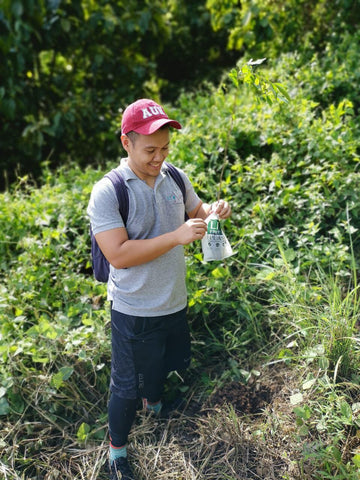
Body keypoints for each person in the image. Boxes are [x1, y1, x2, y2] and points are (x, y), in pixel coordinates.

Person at [87, 98, 232, 480]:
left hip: (172, 299)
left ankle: (155, 404)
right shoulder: (108, 192)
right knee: (125, 387)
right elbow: (118, 254)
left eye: (165, 147)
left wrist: (213, 214)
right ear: (126, 143)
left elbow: (197, 214)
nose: (159, 157)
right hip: (133, 308)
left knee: (165, 362)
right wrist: (176, 237)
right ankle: (117, 451)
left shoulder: (174, 176)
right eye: (150, 149)